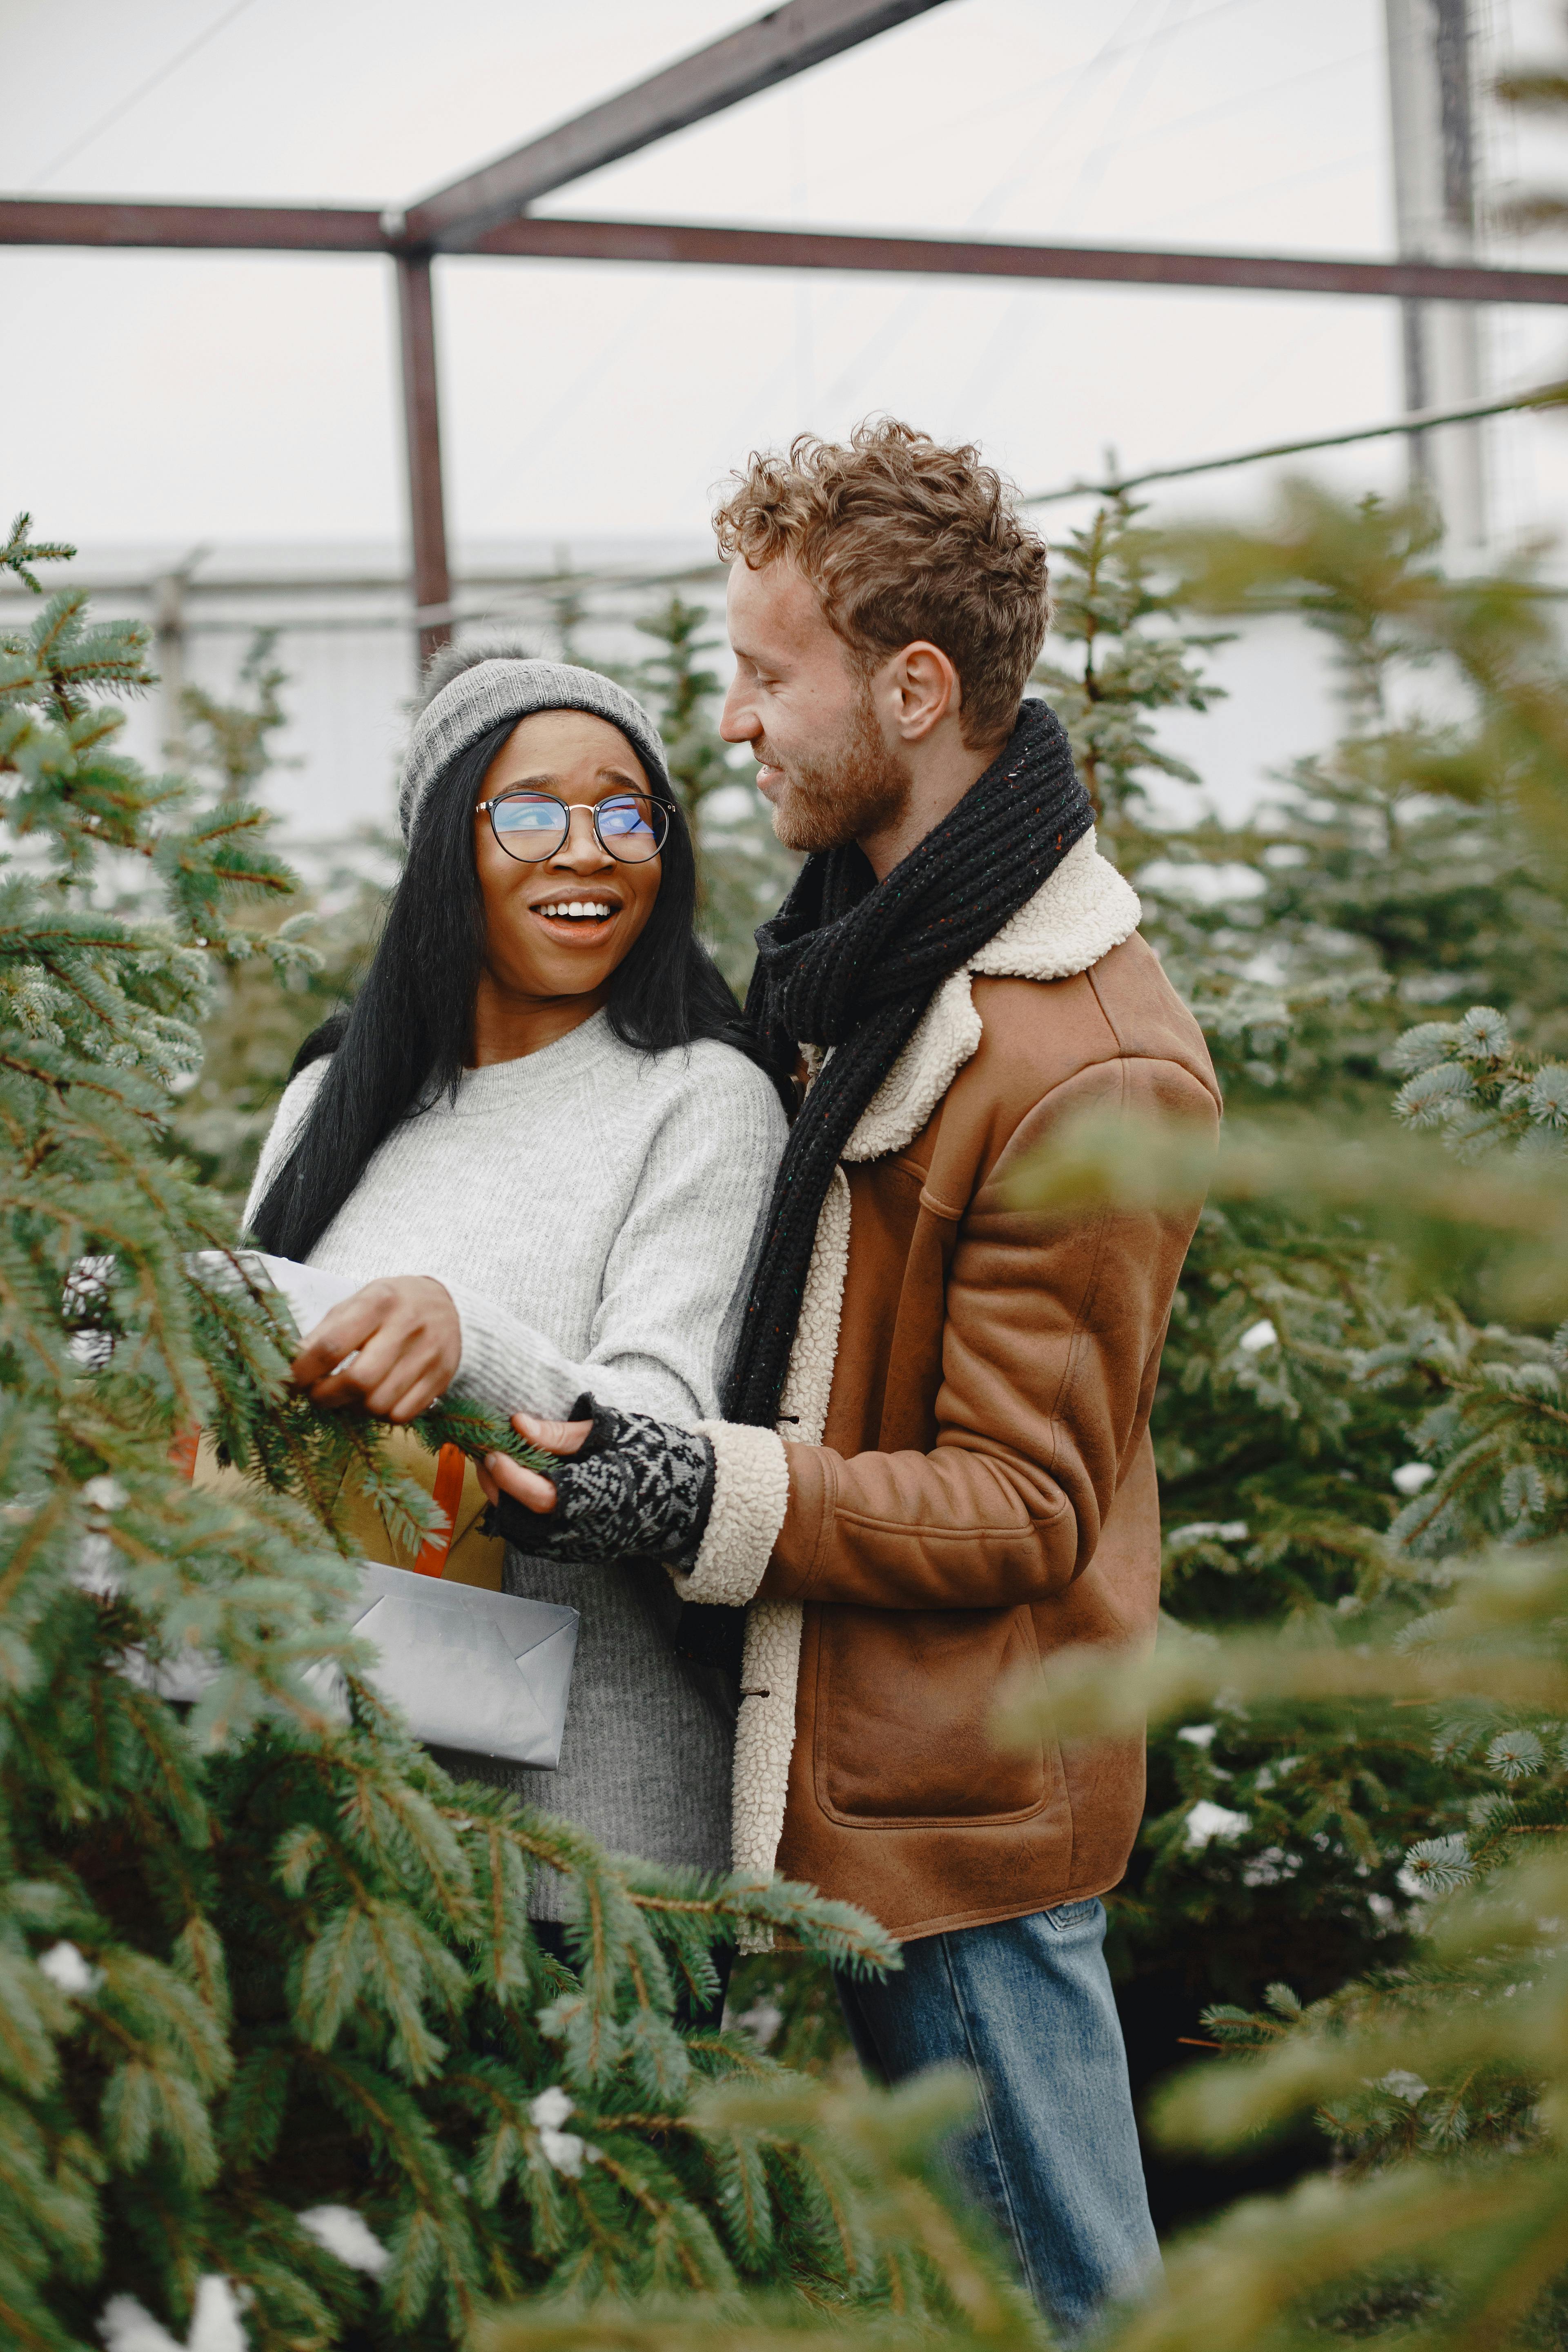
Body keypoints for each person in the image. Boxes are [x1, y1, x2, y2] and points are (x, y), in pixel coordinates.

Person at [478, 423, 1222, 2333]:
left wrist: (692, 1490)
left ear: (915, 689)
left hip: (957, 1811)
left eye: (761, 672)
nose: (726, 722)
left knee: (1061, 2305)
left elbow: (1024, 1504)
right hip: (842, 1764)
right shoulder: (861, 962)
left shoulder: (1082, 1065)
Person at [243, 651, 787, 2000]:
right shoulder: (336, 1098)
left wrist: (460, 1339)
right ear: (450, 848)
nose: (588, 851)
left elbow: (666, 1436)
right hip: (339, 1834)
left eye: (626, 813)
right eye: (533, 812)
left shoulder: (700, 1098)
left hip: (590, 1870)